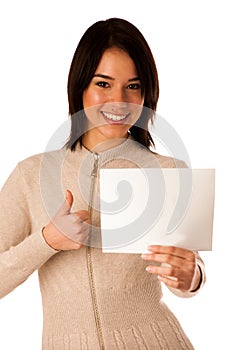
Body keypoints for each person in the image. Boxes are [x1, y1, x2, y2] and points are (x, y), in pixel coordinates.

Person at [0, 17, 205, 349]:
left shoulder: (170, 172)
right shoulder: (30, 175)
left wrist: (193, 277)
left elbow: (187, 270)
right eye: (103, 84)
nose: (119, 100)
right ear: (80, 86)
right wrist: (46, 240)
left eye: (133, 86)